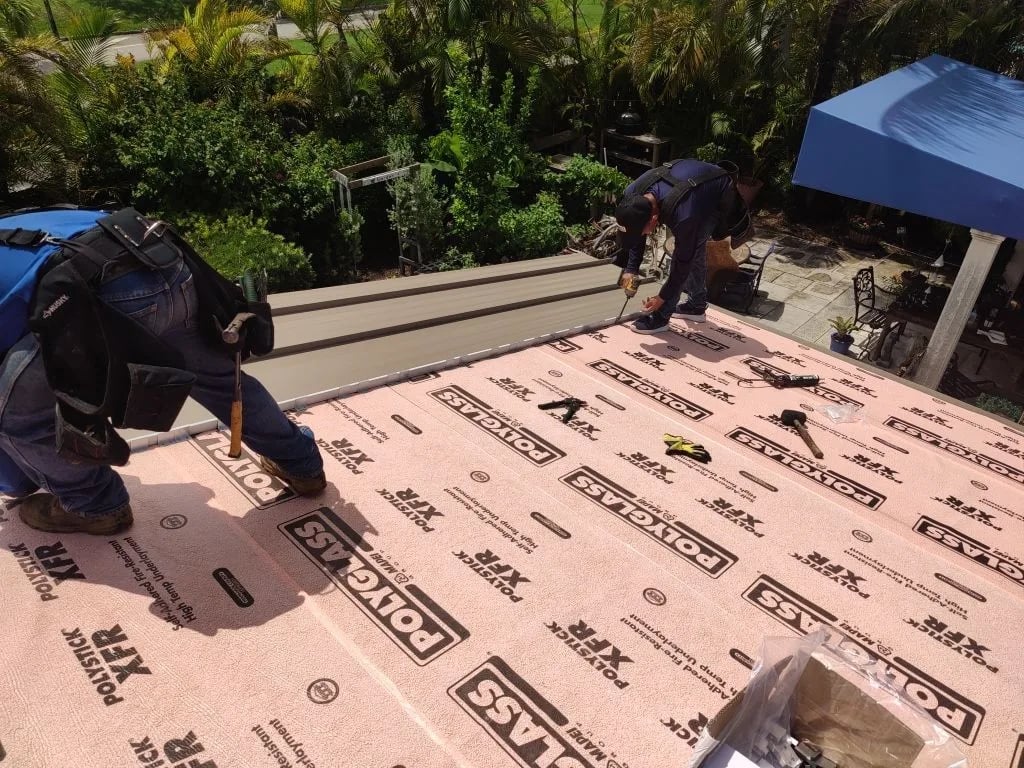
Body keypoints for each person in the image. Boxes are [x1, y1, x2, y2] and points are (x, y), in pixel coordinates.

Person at [0, 208, 325, 535]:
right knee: (221, 381)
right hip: (166, 266)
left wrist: (19, 480)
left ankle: (95, 506)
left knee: (17, 420)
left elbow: (15, 471)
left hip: (93, 294)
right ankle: (302, 465)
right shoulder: (20, 222)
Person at [614, 158, 734, 333]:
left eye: (642, 231)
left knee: (688, 250)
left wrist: (663, 297)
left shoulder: (685, 215)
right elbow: (636, 227)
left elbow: (683, 262)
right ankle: (696, 305)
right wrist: (631, 269)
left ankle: (662, 317)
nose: (642, 235)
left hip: (716, 192)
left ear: (654, 219)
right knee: (694, 249)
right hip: (688, 184)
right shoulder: (631, 196)